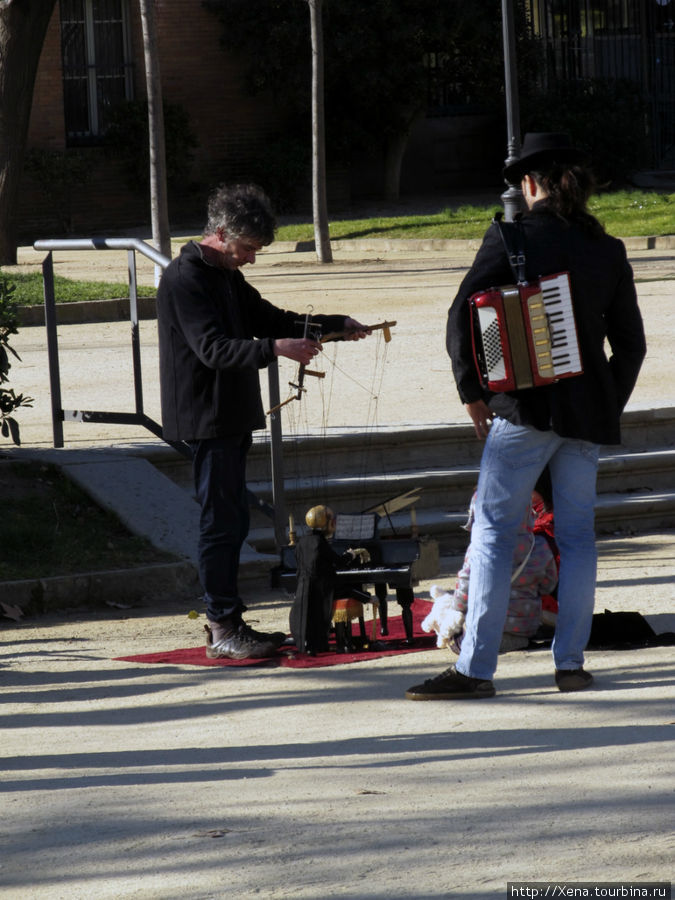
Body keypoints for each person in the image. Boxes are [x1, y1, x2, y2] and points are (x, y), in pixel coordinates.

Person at [406, 132, 646, 699]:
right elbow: (631, 347)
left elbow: (459, 315)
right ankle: (570, 665)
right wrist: (604, 401)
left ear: (530, 184)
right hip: (586, 419)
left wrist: (472, 393)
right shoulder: (607, 249)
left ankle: (475, 670)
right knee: (579, 538)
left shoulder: (511, 237)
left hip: (523, 413)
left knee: (492, 534)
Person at [157, 183, 369, 660]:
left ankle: (229, 621)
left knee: (233, 520)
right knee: (220, 522)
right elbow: (212, 348)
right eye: (247, 249)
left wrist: (334, 325)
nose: (251, 259)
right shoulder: (184, 277)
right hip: (204, 414)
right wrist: (276, 349)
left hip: (230, 413)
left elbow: (271, 318)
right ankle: (222, 626)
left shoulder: (225, 274)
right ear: (219, 233)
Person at [422, 488, 558, 654]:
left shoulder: (480, 548)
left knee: (447, 614)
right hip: (524, 631)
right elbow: (548, 584)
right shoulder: (539, 545)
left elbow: (464, 588)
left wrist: (457, 610)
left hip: (485, 634)